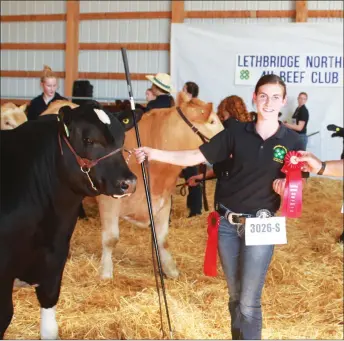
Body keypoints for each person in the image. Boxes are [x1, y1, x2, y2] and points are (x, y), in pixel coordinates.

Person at [134, 74, 305, 339]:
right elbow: (195, 155)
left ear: (283, 101)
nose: (268, 102)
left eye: (274, 97)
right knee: (234, 295)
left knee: (249, 301)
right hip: (227, 225)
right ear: (254, 98)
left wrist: (286, 187)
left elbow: (296, 182)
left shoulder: (293, 142)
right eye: (263, 96)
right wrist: (154, 152)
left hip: (261, 225)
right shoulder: (236, 133)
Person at [187, 95, 253, 187]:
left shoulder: (227, 131)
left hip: (228, 191)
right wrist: (201, 177)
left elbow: (222, 168)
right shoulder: (251, 132)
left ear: (225, 111)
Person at [181, 81, 202, 217]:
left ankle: (195, 209)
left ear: (189, 93)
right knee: (191, 177)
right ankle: (192, 207)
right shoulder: (184, 107)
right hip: (182, 146)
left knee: (193, 178)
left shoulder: (193, 108)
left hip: (189, 147)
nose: (181, 92)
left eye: (184, 90)